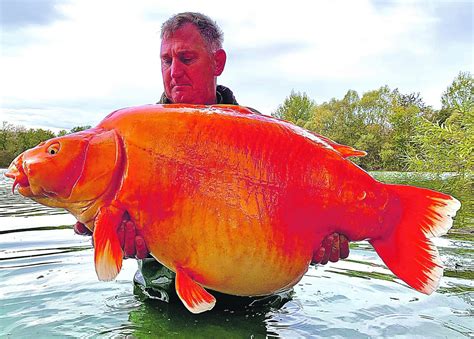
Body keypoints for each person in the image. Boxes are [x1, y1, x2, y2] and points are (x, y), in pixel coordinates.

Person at [74, 12, 349, 302]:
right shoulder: (132, 137)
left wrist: (320, 242)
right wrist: (97, 227)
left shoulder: (263, 137)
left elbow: (303, 215)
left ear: (218, 62)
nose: (174, 71)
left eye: (187, 59)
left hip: (251, 301)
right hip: (160, 295)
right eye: (166, 60)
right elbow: (92, 208)